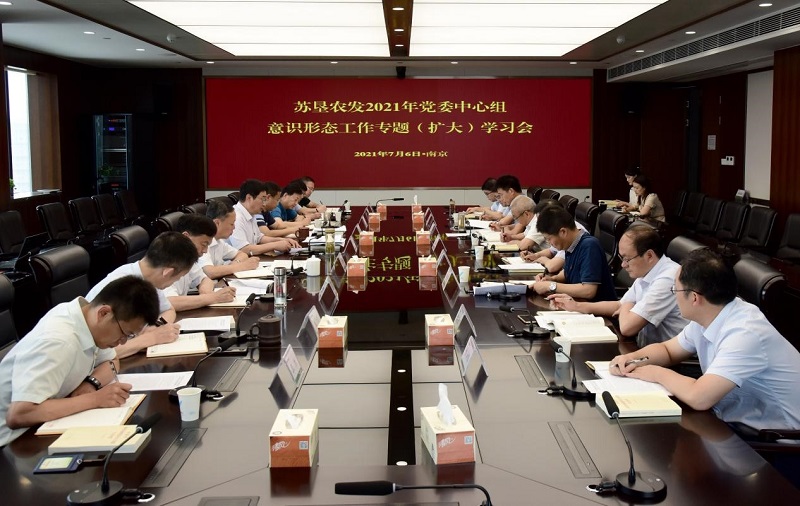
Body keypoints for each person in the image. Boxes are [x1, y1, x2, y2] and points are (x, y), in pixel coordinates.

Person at [610, 249, 800, 432]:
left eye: (675, 289)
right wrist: (633, 359)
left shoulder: (745, 334)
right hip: (733, 419)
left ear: (694, 298)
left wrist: (655, 373)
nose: (674, 294)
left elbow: (699, 397)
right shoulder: (711, 313)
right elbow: (668, 350)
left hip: (776, 439)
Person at [0, 276, 160, 447]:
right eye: (124, 334)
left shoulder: (87, 319)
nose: (123, 342)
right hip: (13, 443)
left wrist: (90, 384)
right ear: (104, 313)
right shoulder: (59, 341)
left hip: (46, 423)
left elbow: (112, 360)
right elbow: (19, 414)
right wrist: (95, 399)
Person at [548, 225, 688, 346]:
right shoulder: (648, 270)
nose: (623, 265)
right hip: (645, 347)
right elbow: (619, 305)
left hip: (672, 361)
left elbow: (627, 327)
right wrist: (576, 306)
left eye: (627, 259)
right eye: (622, 258)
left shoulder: (668, 278)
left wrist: (627, 306)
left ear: (649, 256)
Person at [86, 231, 198, 358]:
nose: (175, 281)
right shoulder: (120, 286)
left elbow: (169, 309)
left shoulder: (149, 280)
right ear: (167, 272)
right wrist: (151, 338)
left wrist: (154, 326)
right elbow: (97, 355)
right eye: (179, 277)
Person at [528, 206, 616, 301]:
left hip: (595, 308)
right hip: (576, 304)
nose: (549, 243)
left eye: (549, 238)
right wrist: (553, 279)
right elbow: (569, 273)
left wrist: (551, 286)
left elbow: (588, 291)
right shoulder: (570, 245)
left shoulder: (589, 246)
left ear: (563, 232)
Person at [164, 214, 237, 311]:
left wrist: (206, 293)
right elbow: (169, 302)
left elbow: (204, 279)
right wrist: (212, 298)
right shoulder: (165, 259)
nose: (205, 251)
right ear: (186, 237)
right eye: (204, 244)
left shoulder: (187, 258)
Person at [229, 179, 296, 255]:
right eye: (263, 199)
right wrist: (274, 245)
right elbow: (244, 249)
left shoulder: (251, 214)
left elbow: (259, 238)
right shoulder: (236, 217)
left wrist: (281, 240)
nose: (264, 204)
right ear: (249, 198)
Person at [202, 198, 260, 279]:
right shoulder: (202, 242)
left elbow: (242, 254)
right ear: (217, 223)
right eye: (231, 224)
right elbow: (210, 272)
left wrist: (235, 264)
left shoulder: (219, 241)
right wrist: (242, 266)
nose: (234, 227)